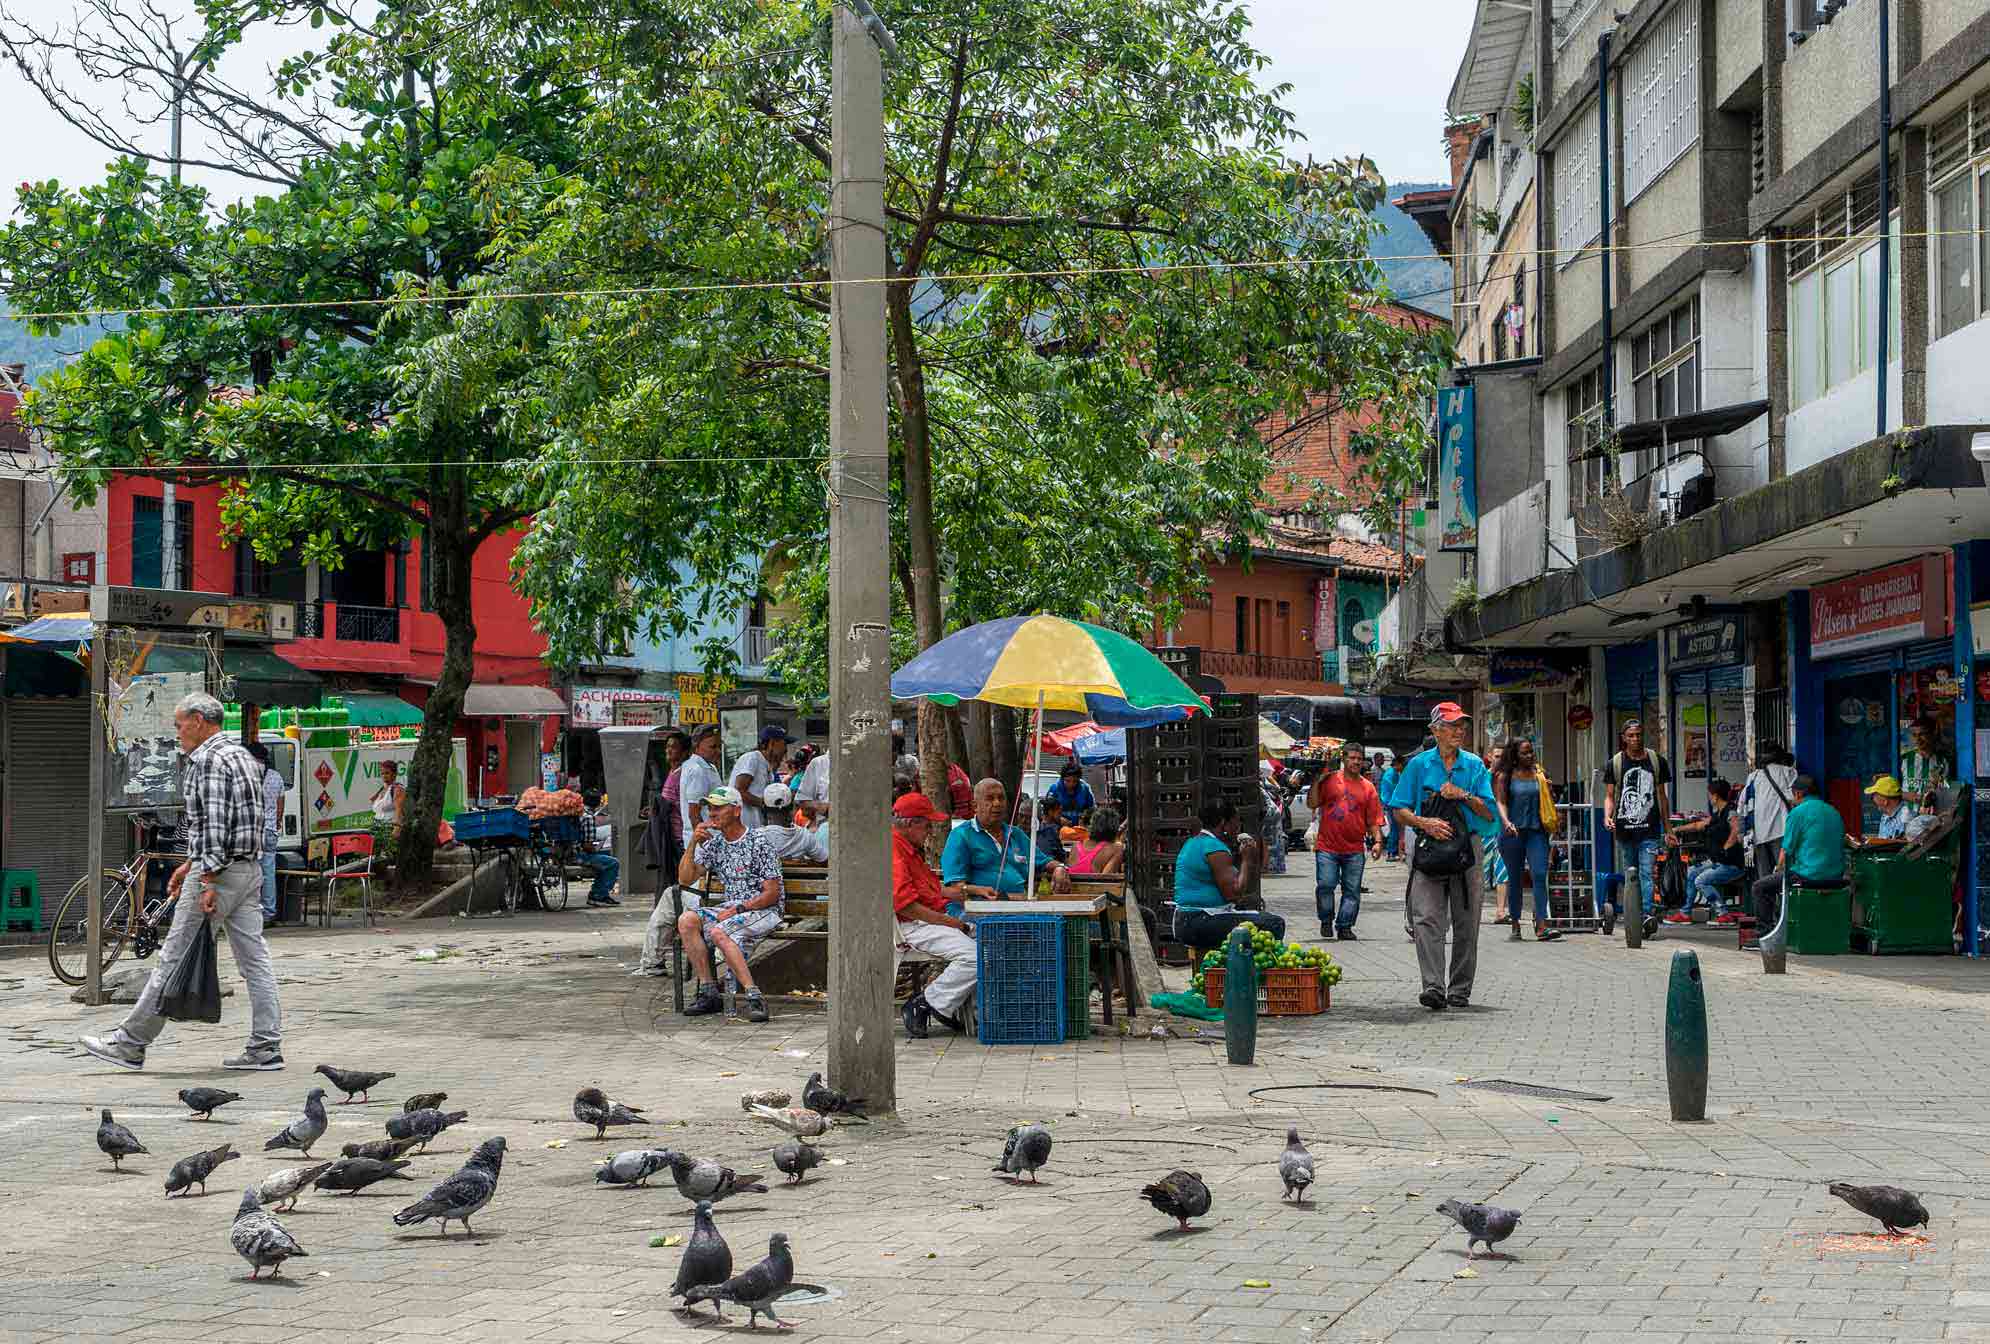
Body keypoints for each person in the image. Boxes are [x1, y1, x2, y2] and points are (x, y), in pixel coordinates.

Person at [81, 692, 282, 1072]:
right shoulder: (241, 756)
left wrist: (206, 877)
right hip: (248, 870)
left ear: (199, 721)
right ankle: (266, 1046)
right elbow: (239, 821)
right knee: (255, 961)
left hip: (219, 874)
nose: (177, 733)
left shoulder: (205, 760)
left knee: (172, 956)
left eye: (179, 725)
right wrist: (190, 863)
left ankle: (130, 1044)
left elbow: (215, 825)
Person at [1389, 703, 1497, 1012]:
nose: (1459, 731)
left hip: (1467, 850)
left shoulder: (1474, 766)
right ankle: (1433, 986)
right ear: (1435, 730)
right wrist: (1424, 823)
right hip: (1430, 849)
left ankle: (1460, 989)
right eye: (1452, 726)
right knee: (1426, 919)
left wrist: (1462, 794)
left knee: (1467, 922)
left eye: (1462, 725)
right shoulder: (1418, 766)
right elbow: (1399, 809)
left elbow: (1489, 815)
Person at [674, 786, 783, 1022]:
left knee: (719, 931)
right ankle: (709, 991)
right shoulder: (715, 844)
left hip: (762, 910)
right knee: (687, 920)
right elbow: (684, 879)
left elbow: (772, 893)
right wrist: (692, 843)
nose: (711, 814)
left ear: (736, 811)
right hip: (732, 909)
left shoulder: (758, 841)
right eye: (710, 808)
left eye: (718, 808)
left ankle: (755, 997)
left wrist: (738, 909)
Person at [892, 793, 976, 1038]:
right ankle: (925, 1004)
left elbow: (929, 888)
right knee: (975, 957)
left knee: (986, 941)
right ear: (910, 823)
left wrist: (969, 891)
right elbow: (905, 906)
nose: (930, 830)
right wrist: (950, 922)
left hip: (928, 919)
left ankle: (952, 1008)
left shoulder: (909, 847)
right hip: (911, 925)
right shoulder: (894, 851)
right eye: (927, 824)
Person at [1171, 799, 1282, 953]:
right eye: (1236, 821)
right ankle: (1250, 973)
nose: (1238, 826)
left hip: (1187, 920)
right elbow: (1234, 894)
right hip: (1199, 921)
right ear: (1223, 823)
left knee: (1257, 916)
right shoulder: (1215, 849)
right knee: (1273, 923)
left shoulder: (1193, 842)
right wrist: (1247, 860)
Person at [1602, 719, 1672, 941]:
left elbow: (1661, 796)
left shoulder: (1656, 761)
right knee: (1631, 873)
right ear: (1624, 738)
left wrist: (1668, 827)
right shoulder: (1615, 763)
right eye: (1630, 735)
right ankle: (1634, 913)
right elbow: (1610, 796)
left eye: (1638, 734)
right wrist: (1607, 816)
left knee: (1647, 872)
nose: (1635, 739)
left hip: (1650, 831)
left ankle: (1646, 915)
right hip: (1625, 831)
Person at [941, 779, 1072, 897]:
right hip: (976, 911)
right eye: (990, 798)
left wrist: (1059, 868)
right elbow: (955, 888)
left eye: (1001, 798)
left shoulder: (1015, 834)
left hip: (1019, 908)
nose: (997, 803)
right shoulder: (961, 835)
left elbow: (1044, 861)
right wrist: (978, 890)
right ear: (975, 806)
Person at [1750, 774, 1846, 934]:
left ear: (1798, 794)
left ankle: (1764, 933)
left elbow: (1786, 852)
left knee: (1760, 887)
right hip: (1836, 875)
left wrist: (1777, 869)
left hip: (1809, 874)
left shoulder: (1797, 813)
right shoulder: (1833, 811)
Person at [1308, 741, 1385, 941]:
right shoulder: (1330, 780)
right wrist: (1316, 780)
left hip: (1354, 849)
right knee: (1325, 884)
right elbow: (1313, 803)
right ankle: (1326, 919)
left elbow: (1374, 819)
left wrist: (1377, 842)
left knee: (1352, 891)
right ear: (1343, 759)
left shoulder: (1368, 788)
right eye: (1352, 758)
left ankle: (1344, 926)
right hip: (1327, 846)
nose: (1356, 762)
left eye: (1359, 759)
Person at [1492, 738, 1562, 943]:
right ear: (1515, 755)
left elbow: (1550, 801)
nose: (1530, 756)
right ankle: (1515, 923)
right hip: (1512, 833)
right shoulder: (1505, 776)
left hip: (1536, 832)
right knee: (1515, 879)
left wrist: (1549, 790)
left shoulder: (1540, 774)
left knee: (1539, 874)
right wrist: (1506, 822)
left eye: (1531, 752)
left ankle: (1541, 925)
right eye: (1525, 753)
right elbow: (1501, 802)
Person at [1670, 777, 1744, 925]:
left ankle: (1723, 914)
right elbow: (1698, 825)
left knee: (1701, 880)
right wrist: (1675, 830)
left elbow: (1737, 831)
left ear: (1715, 796)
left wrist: (1725, 849)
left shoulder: (1730, 812)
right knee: (1691, 872)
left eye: (1710, 794)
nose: (1709, 797)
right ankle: (1685, 913)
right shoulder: (1717, 814)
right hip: (1717, 862)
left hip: (1731, 864)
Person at [1740, 740, 1798, 886]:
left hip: (1757, 834)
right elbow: (1796, 798)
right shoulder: (1788, 772)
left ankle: (1767, 908)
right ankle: (1784, 906)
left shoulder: (1753, 777)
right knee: (1784, 875)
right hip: (1781, 831)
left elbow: (1742, 805)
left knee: (1764, 880)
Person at [247, 742, 285, 921]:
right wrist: (276, 821)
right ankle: (269, 911)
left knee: (248, 872)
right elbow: (280, 804)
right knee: (268, 872)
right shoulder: (276, 777)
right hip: (269, 830)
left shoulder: (247, 776)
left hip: (251, 831)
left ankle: (250, 911)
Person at [731, 724, 791, 831]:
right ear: (772, 743)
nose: (786, 749)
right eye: (784, 744)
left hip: (756, 826)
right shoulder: (753, 758)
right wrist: (764, 804)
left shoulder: (767, 766)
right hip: (743, 826)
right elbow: (739, 791)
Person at [756, 782, 830, 862]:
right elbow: (824, 859)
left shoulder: (755, 837)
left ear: (764, 808)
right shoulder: (804, 836)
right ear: (791, 807)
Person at [676, 726, 724, 840]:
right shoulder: (697, 769)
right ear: (696, 747)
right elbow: (694, 813)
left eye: (719, 746)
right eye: (712, 747)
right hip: (704, 839)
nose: (718, 751)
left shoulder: (707, 766)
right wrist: (703, 842)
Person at [1899, 716, 1952, 816]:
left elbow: (1947, 792)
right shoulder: (1904, 759)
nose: (1918, 739)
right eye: (1914, 735)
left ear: (1932, 734)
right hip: (1906, 819)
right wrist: (1910, 796)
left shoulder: (1942, 761)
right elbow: (1893, 790)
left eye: (1922, 734)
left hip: (1933, 818)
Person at [579, 790, 622, 907]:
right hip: (580, 855)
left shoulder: (578, 812)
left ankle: (598, 893)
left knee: (603, 860)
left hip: (573, 852)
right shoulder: (588, 817)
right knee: (613, 863)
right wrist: (595, 849)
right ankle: (599, 895)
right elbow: (587, 845)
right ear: (598, 804)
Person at [1067, 808, 1125, 876]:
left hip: (1072, 886)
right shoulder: (1117, 848)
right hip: (1097, 885)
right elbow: (1106, 879)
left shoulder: (1075, 846)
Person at [1374, 753, 1402, 861]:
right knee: (1394, 827)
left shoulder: (1390, 772)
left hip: (1389, 802)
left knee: (1395, 827)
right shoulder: (1391, 774)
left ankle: (1392, 850)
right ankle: (1391, 852)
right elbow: (1395, 789)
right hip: (1390, 803)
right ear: (1398, 764)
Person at [370, 758, 406, 834]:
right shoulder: (382, 790)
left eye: (387, 773)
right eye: (382, 773)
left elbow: (399, 810)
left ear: (394, 774)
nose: (384, 776)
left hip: (389, 829)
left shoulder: (397, 789)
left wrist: (396, 829)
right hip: (376, 828)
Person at [1033, 796, 1069, 866]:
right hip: (1052, 867)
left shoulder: (1037, 828)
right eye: (1059, 813)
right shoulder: (1052, 830)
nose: (1061, 817)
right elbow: (1060, 856)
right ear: (1050, 812)